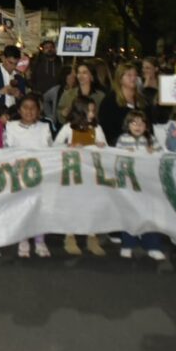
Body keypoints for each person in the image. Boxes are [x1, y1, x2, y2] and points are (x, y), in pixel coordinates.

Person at [53, 96, 106, 257]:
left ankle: (92, 237)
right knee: (72, 205)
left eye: (93, 110)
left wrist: (100, 146)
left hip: (90, 174)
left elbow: (106, 148)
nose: (91, 113)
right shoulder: (69, 128)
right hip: (73, 172)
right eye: (88, 110)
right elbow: (55, 146)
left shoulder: (97, 129)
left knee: (91, 205)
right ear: (80, 111)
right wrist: (69, 146)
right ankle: (70, 236)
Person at [114, 110, 167, 261]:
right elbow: (115, 157)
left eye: (142, 123)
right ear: (128, 125)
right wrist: (125, 152)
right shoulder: (123, 139)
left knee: (150, 213)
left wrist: (153, 153)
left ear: (146, 126)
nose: (138, 126)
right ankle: (128, 244)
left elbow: (162, 156)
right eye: (134, 123)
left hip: (147, 184)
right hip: (129, 183)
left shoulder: (151, 140)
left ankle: (152, 245)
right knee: (129, 212)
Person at [5, 94, 53, 258]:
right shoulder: (11, 126)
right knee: (22, 208)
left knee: (39, 208)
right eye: (25, 107)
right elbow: (7, 149)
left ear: (39, 110)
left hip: (40, 174)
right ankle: (23, 239)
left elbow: (50, 150)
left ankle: (40, 241)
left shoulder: (44, 127)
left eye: (33, 108)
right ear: (19, 110)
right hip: (19, 174)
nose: (29, 111)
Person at [98, 62, 148, 146]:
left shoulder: (142, 100)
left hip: (141, 145)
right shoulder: (110, 101)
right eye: (129, 75)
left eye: (135, 75)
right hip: (118, 145)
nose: (133, 78)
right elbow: (106, 127)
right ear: (120, 79)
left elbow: (148, 124)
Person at [43, 65, 75, 131]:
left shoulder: (77, 90)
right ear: (65, 76)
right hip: (58, 125)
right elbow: (44, 99)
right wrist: (50, 115)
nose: (74, 76)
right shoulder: (56, 90)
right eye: (71, 74)